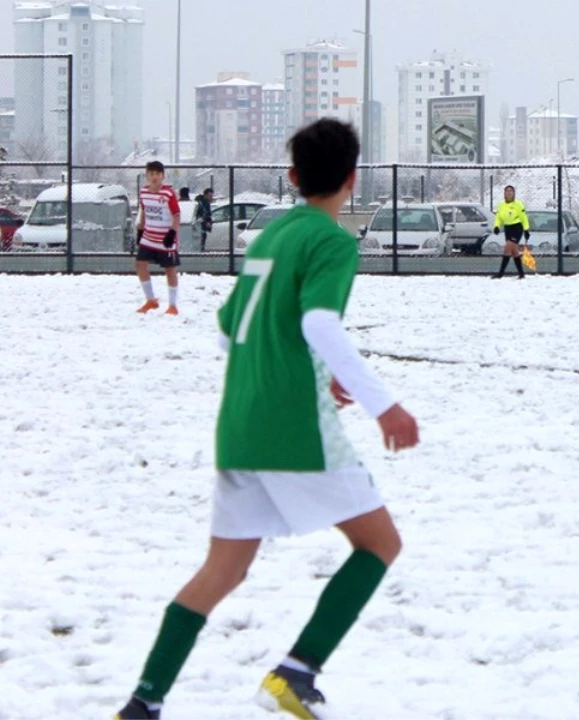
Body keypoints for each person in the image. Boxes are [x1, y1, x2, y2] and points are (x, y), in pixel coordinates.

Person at [115, 119, 420, 720]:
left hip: (240, 422)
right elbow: (318, 323)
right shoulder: (332, 240)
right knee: (380, 544)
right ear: (352, 180)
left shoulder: (269, 236)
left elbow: (231, 328)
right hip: (295, 427)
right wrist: (383, 402)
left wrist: (297, 368)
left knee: (223, 568)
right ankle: (296, 675)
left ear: (291, 176)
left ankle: (142, 705)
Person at [134, 161, 182, 315]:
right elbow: (144, 211)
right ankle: (151, 300)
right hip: (148, 236)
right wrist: (140, 230)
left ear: (162, 176)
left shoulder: (168, 193)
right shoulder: (143, 192)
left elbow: (176, 214)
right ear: (147, 176)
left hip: (165, 238)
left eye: (157, 174)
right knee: (140, 265)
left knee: (170, 270)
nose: (154, 177)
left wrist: (172, 233)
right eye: (151, 174)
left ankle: (173, 305)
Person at [491, 184, 530, 279]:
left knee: (507, 248)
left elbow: (523, 217)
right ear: (504, 193)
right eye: (507, 191)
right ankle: (521, 274)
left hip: (517, 227)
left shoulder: (518, 204)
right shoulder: (501, 205)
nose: (509, 193)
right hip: (508, 228)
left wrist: (526, 229)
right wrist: (496, 226)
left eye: (511, 191)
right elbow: (499, 218)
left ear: (514, 193)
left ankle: (500, 274)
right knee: (514, 251)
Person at [196, 188, 214, 252]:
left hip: (203, 226)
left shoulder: (206, 203)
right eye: (210, 196)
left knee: (203, 238)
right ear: (205, 195)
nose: (211, 197)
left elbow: (208, 214)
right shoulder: (200, 203)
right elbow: (200, 215)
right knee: (200, 240)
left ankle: (201, 249)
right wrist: (206, 222)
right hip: (199, 226)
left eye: (212, 196)